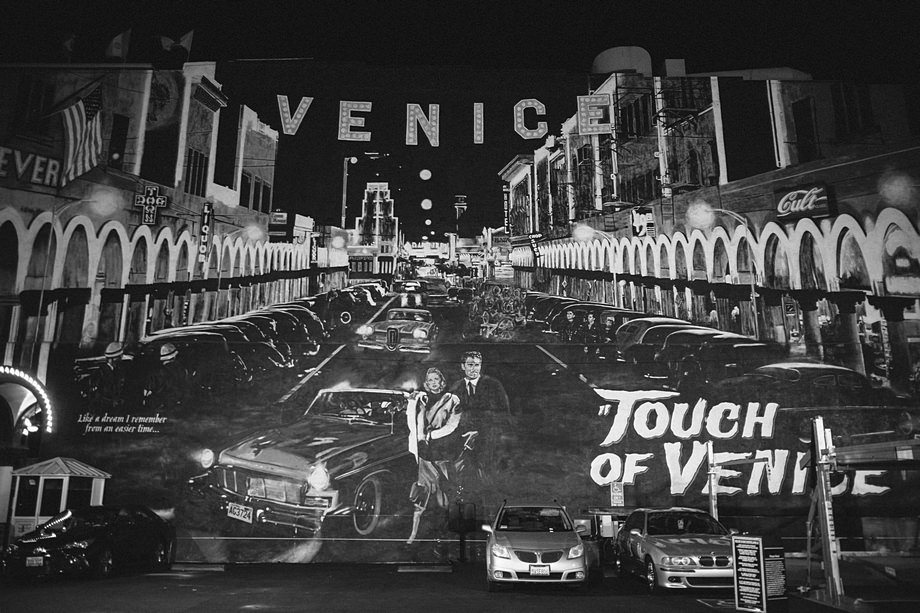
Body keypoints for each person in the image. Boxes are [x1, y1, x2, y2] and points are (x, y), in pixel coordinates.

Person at [405, 367, 463, 545]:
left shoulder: (452, 400)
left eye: (436, 379)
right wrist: (412, 403)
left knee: (444, 496)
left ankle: (447, 534)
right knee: (422, 495)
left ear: (442, 381)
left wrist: (431, 435)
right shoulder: (420, 399)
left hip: (444, 451)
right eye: (429, 380)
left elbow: (452, 425)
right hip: (424, 452)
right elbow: (412, 423)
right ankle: (413, 536)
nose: (433, 383)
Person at [448, 351, 510, 485]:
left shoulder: (493, 385)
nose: (473, 369)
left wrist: (480, 431)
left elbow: (503, 414)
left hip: (489, 441)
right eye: (470, 365)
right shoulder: (455, 388)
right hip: (462, 441)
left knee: (487, 479)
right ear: (463, 366)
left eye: (477, 365)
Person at [143, 342, 191, 411]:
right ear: (174, 356)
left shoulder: (155, 373)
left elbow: (147, 394)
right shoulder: (183, 371)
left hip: (159, 410)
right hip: (179, 409)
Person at [97, 341, 126, 410]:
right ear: (111, 359)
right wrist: (110, 402)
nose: (121, 359)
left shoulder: (119, 370)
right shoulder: (100, 372)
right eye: (119, 357)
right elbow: (97, 395)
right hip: (104, 409)